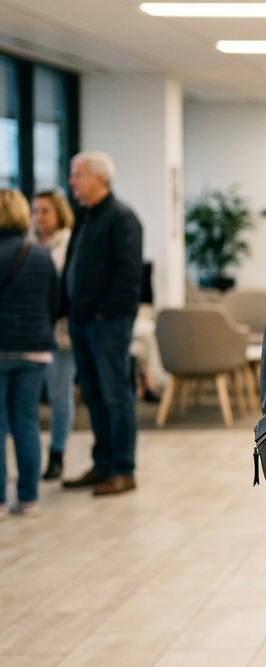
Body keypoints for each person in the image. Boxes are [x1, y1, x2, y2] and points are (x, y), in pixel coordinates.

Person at [60, 151, 144, 497]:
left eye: (77, 175)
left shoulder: (122, 218)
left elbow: (129, 274)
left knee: (114, 395)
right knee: (93, 395)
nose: (72, 182)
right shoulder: (86, 216)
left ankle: (123, 469)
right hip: (82, 321)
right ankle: (103, 463)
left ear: (98, 178)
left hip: (107, 322)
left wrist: (103, 312)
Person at [0, 189, 60, 517]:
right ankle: (28, 498)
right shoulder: (40, 255)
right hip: (35, 349)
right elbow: (54, 302)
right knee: (26, 421)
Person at [32, 190, 75, 480]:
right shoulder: (27, 245)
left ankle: (57, 452)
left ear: (59, 212)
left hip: (61, 331)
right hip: (31, 331)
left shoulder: (69, 244)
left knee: (59, 394)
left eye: (45, 211)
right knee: (27, 399)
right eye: (35, 211)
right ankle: (29, 457)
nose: (39, 217)